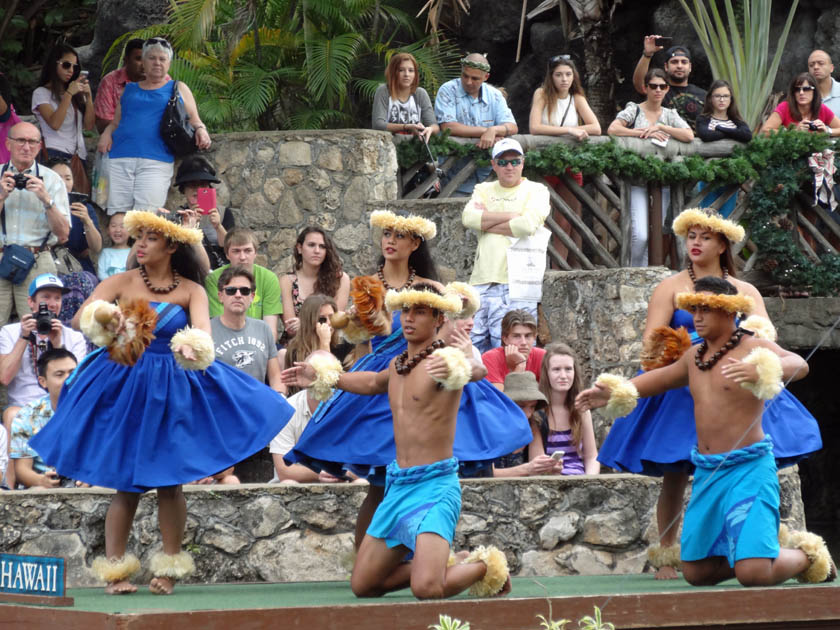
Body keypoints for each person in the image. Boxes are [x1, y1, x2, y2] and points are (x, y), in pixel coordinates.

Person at [28, 210, 293, 595]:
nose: (141, 244)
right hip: (124, 385)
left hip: (171, 389)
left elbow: (203, 336)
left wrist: (192, 345)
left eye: (150, 239)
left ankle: (169, 569)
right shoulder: (120, 281)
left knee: (170, 484)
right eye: (139, 238)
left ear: (170, 246)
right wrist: (108, 319)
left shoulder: (192, 290)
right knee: (127, 484)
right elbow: (82, 317)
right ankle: (115, 573)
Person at [596, 207, 822, 580]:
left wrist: (754, 363)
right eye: (691, 236)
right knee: (674, 470)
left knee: (746, 461)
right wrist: (685, 354)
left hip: (736, 383)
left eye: (704, 237)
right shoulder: (670, 287)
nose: (696, 243)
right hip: (685, 382)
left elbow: (771, 342)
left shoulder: (745, 292)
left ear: (722, 243)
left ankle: (768, 553)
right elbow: (653, 343)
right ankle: (669, 555)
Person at [282, 284, 512, 599]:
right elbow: (372, 381)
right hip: (398, 487)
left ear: (438, 319)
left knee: (426, 588)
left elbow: (477, 368)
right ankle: (453, 563)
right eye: (406, 311)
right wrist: (326, 376)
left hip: (434, 488)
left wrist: (460, 365)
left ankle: (488, 566)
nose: (409, 318)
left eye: (419, 312)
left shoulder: (445, 360)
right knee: (363, 585)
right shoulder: (397, 365)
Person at [97, 37, 211, 214]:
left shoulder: (178, 87)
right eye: (152, 58)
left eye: (162, 59)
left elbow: (194, 119)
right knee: (119, 215)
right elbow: (116, 122)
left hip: (156, 160)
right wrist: (106, 133)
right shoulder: (130, 89)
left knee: (147, 216)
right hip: (119, 158)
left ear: (169, 63)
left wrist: (202, 131)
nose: (157, 62)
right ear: (143, 61)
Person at [461, 138, 550, 353]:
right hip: (481, 282)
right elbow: (468, 219)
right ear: (493, 165)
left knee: (514, 352)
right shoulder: (483, 189)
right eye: (502, 162)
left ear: (522, 163)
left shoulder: (537, 190)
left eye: (514, 161)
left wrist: (487, 221)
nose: (509, 167)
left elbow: (527, 224)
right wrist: (512, 215)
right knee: (473, 352)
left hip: (519, 283)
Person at [0, 273, 87, 490]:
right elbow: (4, 377)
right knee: (12, 415)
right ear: (30, 302)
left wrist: (58, 346)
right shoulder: (10, 332)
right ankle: (10, 490)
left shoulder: (73, 336)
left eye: (57, 298)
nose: (52, 304)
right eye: (45, 297)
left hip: (61, 404)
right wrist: (23, 337)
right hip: (22, 407)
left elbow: (77, 383)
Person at [608, 68, 694, 267]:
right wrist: (642, 133)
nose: (657, 90)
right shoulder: (634, 109)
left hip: (663, 181)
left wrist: (661, 127)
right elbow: (613, 129)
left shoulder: (670, 114)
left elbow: (689, 135)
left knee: (658, 233)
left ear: (667, 89)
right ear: (645, 88)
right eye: (653, 86)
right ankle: (634, 271)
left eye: (662, 86)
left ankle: (648, 276)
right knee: (640, 234)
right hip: (637, 180)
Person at [528, 55, 601, 265]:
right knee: (544, 216)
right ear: (551, 76)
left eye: (568, 74)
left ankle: (561, 265)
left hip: (569, 163)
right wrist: (569, 130)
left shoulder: (576, 98)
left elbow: (595, 127)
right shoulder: (541, 94)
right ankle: (542, 263)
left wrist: (573, 130)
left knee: (567, 217)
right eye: (559, 74)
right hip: (545, 163)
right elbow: (535, 127)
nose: (564, 79)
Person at [0, 122, 71, 325]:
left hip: (37, 259)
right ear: (8, 144)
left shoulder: (52, 180)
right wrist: (1, 196)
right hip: (0, 256)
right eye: (20, 140)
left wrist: (46, 199)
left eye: (32, 142)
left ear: (39, 147)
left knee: (40, 328)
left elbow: (64, 234)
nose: (26, 146)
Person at [434, 53, 518, 195]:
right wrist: (486, 132)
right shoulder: (447, 90)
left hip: (489, 177)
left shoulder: (495, 95)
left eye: (475, 78)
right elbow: (448, 126)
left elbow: (512, 126)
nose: (468, 81)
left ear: (486, 77)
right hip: (454, 176)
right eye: (465, 76)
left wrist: (494, 130)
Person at [10, 348, 85, 489]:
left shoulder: (94, 410)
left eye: (72, 372)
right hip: (43, 488)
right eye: (59, 374)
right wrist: (41, 481)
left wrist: (89, 478)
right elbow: (21, 470)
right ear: (43, 381)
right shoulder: (27, 415)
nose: (68, 379)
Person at [211, 265, 282, 391]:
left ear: (252, 296)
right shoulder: (207, 331)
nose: (238, 295)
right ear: (220, 296)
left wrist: (280, 395)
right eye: (231, 290)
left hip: (257, 403)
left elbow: (276, 377)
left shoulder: (263, 329)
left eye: (244, 291)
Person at [533, 342, 599, 475]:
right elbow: (536, 463)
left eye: (568, 369)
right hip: (548, 483)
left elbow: (592, 457)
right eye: (556, 369)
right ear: (546, 373)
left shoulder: (582, 410)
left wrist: (590, 481)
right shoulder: (536, 413)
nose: (563, 375)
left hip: (581, 481)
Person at [205, 228, 282, 343]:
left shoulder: (269, 278)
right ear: (227, 254)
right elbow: (219, 326)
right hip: (225, 342)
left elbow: (270, 330)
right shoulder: (214, 279)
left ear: (255, 253)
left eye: (247, 251)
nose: (242, 257)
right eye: (236, 251)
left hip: (259, 343)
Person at [280, 227, 349, 340]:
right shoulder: (287, 281)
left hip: (329, 343)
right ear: (300, 248)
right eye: (311, 245)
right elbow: (291, 328)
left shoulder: (340, 279)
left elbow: (335, 322)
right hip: (297, 344)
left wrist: (304, 324)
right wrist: (316, 323)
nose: (317, 251)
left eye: (322, 246)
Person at [32, 44, 95, 166]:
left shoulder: (75, 94)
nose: (71, 70)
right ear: (53, 64)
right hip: (54, 153)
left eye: (74, 67)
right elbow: (55, 123)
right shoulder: (41, 93)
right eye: (66, 65)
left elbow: (89, 126)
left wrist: (88, 97)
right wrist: (68, 94)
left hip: (78, 155)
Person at [491, 371, 559, 478]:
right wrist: (527, 469)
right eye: (521, 406)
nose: (528, 414)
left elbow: (536, 468)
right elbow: (485, 474)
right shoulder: (489, 426)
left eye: (532, 406)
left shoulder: (534, 422)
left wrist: (547, 467)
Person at [173, 155, 234, 269]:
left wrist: (218, 226)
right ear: (183, 189)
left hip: (219, 271)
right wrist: (190, 223)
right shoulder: (178, 215)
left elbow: (232, 247)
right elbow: (176, 250)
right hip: (190, 268)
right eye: (192, 185)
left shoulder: (224, 213)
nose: (197, 189)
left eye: (203, 185)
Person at [632, 39, 706, 130]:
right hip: (662, 141)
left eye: (684, 62)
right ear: (666, 66)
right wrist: (647, 55)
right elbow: (640, 85)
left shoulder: (704, 95)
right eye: (674, 62)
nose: (679, 66)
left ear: (690, 67)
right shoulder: (657, 89)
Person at [46, 158, 102, 276]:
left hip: (77, 268)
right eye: (58, 177)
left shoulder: (83, 208)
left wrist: (87, 221)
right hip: (45, 265)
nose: (63, 183)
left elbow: (96, 248)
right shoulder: (38, 204)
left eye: (68, 178)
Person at [94, 38, 162, 133]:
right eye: (138, 59)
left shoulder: (162, 79)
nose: (144, 64)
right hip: (119, 142)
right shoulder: (110, 82)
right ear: (126, 60)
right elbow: (103, 124)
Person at [372, 52, 439, 142]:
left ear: (415, 74)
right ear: (393, 72)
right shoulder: (384, 91)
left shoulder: (420, 93)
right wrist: (406, 127)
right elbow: (378, 125)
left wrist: (429, 129)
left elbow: (434, 126)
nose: (406, 74)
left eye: (411, 70)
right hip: (389, 146)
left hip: (415, 146)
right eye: (401, 70)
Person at [279, 294, 337, 396]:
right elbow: (323, 388)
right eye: (322, 319)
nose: (328, 323)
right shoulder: (296, 351)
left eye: (332, 318)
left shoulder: (342, 345)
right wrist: (324, 343)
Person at [482, 309, 546, 391]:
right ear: (505, 339)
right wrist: (520, 366)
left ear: (534, 337)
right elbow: (501, 400)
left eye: (528, 336)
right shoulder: (490, 358)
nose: (523, 342)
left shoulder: (543, 356)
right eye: (516, 336)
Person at [760, 72, 840, 137]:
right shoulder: (785, 107)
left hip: (817, 154)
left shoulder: (821, 108)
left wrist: (827, 131)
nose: (801, 93)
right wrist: (794, 132)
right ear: (793, 92)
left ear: (814, 91)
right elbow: (765, 131)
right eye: (797, 89)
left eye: (806, 89)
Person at [807, 50, 840, 119]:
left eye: (821, 63)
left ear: (831, 68)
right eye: (811, 65)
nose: (816, 67)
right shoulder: (802, 94)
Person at [98, 212, 131, 279]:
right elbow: (101, 274)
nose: (117, 230)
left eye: (122, 226)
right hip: (109, 287)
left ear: (131, 230)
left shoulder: (133, 252)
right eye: (113, 226)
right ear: (107, 230)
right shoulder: (105, 252)